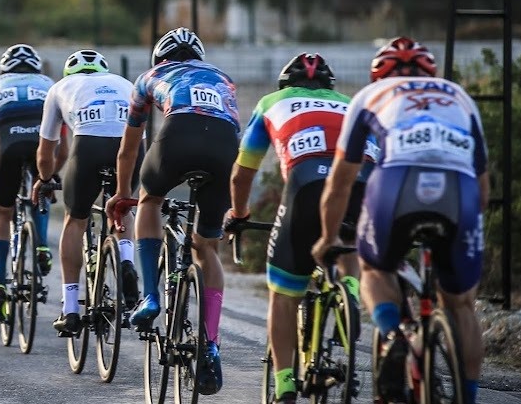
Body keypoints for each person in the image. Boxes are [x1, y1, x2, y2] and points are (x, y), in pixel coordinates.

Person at [312, 37, 488, 404]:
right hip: (460, 192)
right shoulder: (459, 96)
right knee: (461, 305)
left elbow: (340, 182)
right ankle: (467, 396)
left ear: (379, 75)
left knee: (374, 269)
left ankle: (392, 336)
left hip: (397, 184)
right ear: (431, 72)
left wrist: (328, 238)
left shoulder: (369, 96)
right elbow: (484, 186)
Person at [229, 53, 374, 404]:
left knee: (283, 294)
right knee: (347, 238)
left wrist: (239, 213)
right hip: (364, 182)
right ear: (329, 86)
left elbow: (243, 172)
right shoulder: (350, 103)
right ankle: (350, 292)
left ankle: (284, 384)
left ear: (286, 85)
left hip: (306, 185)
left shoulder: (270, 103)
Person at [107, 27, 240, 396]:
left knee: (149, 200)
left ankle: (150, 296)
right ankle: (210, 343)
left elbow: (128, 150)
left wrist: (122, 195)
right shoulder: (223, 79)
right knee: (206, 248)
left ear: (159, 58)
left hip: (177, 136)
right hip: (225, 147)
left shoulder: (149, 78)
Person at [34, 49, 140, 336]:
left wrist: (45, 179)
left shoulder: (59, 88)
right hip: (129, 146)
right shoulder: (124, 83)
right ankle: (127, 261)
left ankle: (70, 309)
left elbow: (46, 151)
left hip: (88, 145)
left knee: (75, 219)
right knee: (123, 206)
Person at [0, 43, 54, 324]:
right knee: (43, 188)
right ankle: (41, 247)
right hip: (40, 145)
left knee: (1, 213)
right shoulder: (49, 85)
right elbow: (61, 140)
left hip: (6, 147)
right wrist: (51, 173)